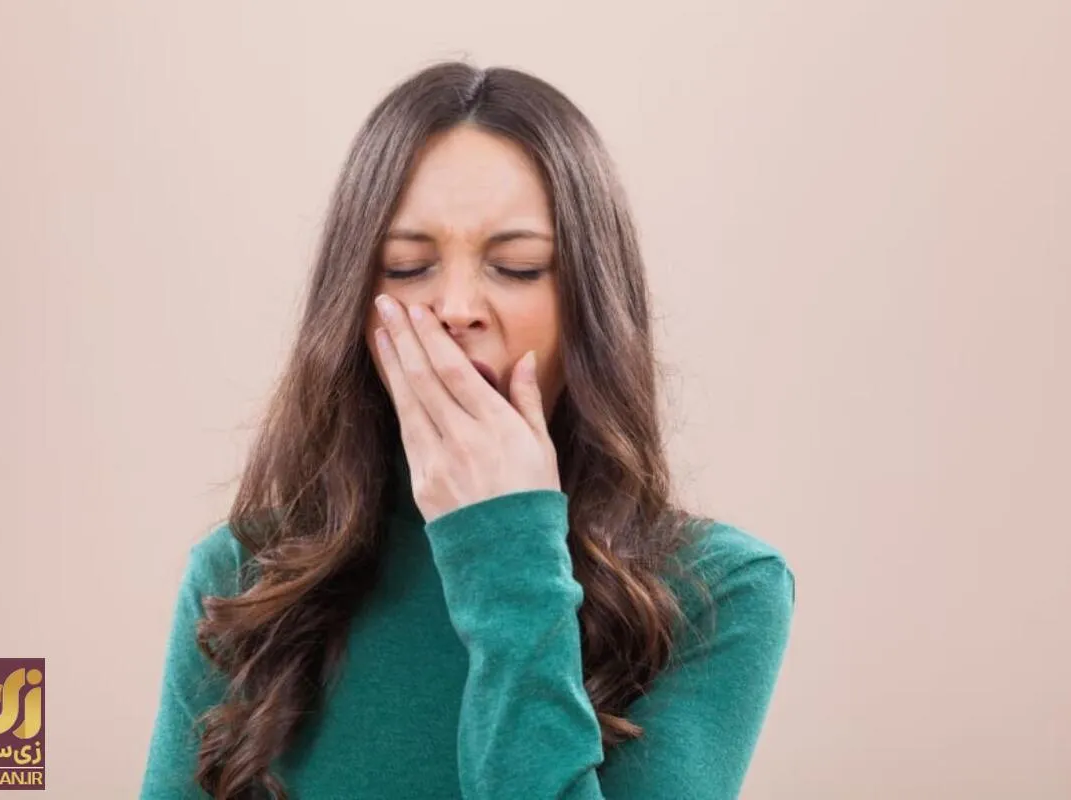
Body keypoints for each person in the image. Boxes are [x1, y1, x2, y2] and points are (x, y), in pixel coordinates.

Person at [139, 60, 795, 800]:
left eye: (517, 267)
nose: (456, 309)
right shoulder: (243, 581)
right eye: (407, 267)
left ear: (590, 303)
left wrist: (507, 552)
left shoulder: (719, 592)